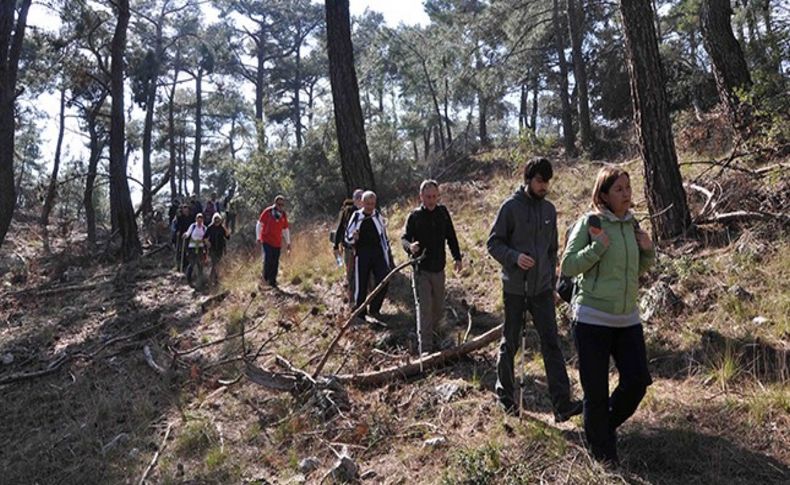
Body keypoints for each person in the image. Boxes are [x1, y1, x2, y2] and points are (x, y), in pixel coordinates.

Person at [560, 165, 655, 464]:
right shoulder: (589, 223)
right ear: (603, 195)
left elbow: (633, 272)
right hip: (592, 319)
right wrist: (597, 248)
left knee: (637, 382)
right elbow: (568, 266)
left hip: (627, 319)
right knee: (596, 391)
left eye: (628, 188)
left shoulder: (632, 224)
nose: (627, 194)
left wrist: (648, 251)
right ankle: (603, 456)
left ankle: (600, 429)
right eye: (619, 189)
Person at [487, 157, 583, 421]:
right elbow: (493, 243)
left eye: (547, 181)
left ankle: (562, 405)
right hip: (515, 289)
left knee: (551, 344)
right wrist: (514, 257)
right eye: (540, 181)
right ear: (528, 179)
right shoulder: (510, 208)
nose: (544, 186)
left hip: (542, 290)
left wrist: (553, 285)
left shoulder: (550, 211)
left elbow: (553, 252)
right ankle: (505, 396)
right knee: (511, 342)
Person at [402, 180, 463, 354]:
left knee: (438, 307)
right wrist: (410, 246)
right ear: (421, 196)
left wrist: (457, 258)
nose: (431, 200)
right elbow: (404, 238)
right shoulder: (414, 216)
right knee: (425, 308)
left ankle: (436, 340)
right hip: (421, 270)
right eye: (428, 197)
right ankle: (425, 349)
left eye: (435, 196)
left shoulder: (443, 213)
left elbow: (451, 236)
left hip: (439, 268)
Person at [344, 191, 392, 320]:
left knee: (384, 279)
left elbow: (383, 235)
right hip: (362, 253)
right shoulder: (356, 216)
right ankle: (361, 312)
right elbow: (347, 236)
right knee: (361, 284)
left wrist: (386, 251)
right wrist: (353, 238)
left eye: (372, 203)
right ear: (362, 203)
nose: (370, 206)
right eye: (367, 203)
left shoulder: (377, 215)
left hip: (378, 253)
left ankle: (375, 309)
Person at [333, 188, 364, 305]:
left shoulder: (368, 212)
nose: (362, 201)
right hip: (349, 248)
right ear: (355, 200)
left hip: (363, 249)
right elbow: (340, 228)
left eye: (363, 198)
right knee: (351, 274)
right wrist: (336, 246)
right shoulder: (348, 212)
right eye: (359, 198)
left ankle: (362, 300)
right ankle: (352, 302)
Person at [257, 195, 291, 287]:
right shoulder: (268, 212)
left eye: (282, 204)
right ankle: (265, 279)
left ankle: (272, 281)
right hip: (266, 240)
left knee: (275, 261)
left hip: (277, 242)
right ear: (275, 203)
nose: (280, 206)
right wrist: (258, 238)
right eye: (279, 204)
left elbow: (285, 229)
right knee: (268, 258)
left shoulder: (283, 215)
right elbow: (259, 224)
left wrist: (288, 242)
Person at [206, 212, 231, 286]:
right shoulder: (210, 227)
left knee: (217, 264)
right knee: (214, 264)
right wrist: (208, 243)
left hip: (220, 248)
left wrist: (226, 230)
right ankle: (213, 280)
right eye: (215, 219)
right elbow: (205, 237)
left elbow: (228, 237)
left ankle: (214, 279)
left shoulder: (222, 228)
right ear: (213, 220)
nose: (217, 221)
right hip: (212, 248)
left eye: (218, 219)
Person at [183, 213, 208, 284]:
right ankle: (189, 279)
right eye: (198, 219)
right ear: (196, 219)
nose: (199, 221)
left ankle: (200, 279)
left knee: (200, 263)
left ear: (202, 220)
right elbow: (188, 233)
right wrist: (185, 235)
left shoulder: (204, 228)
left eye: (201, 219)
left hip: (200, 247)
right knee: (192, 263)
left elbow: (206, 236)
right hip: (192, 247)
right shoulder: (193, 226)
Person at [172, 203, 193, 271]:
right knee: (181, 250)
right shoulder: (180, 217)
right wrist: (178, 232)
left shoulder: (191, 217)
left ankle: (188, 265)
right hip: (181, 235)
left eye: (186, 208)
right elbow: (177, 225)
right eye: (184, 208)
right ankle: (180, 265)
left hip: (190, 235)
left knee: (189, 250)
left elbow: (192, 225)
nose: (185, 210)